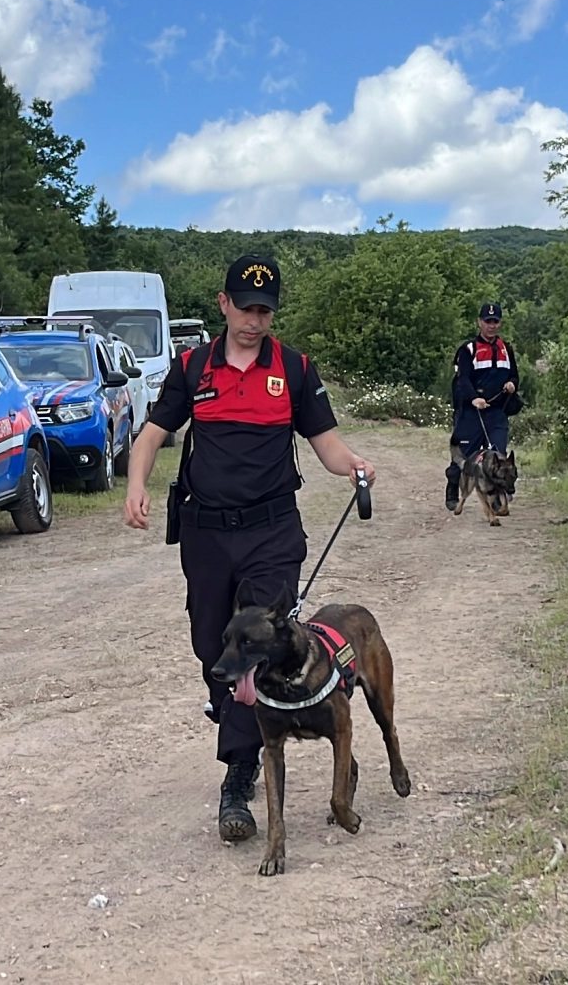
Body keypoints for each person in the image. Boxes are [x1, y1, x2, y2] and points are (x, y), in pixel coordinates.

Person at [123, 254, 375, 844]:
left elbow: (327, 445)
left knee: (258, 641)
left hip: (271, 533)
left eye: (264, 311)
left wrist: (353, 466)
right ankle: (240, 724)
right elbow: (153, 434)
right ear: (224, 303)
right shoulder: (192, 368)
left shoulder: (294, 368)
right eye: (245, 307)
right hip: (207, 535)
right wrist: (137, 485)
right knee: (214, 645)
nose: (254, 321)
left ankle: (238, 775)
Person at [446, 302, 519, 511]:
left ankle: (497, 499)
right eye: (488, 321)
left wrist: (512, 384)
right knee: (465, 454)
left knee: (498, 457)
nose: (492, 325)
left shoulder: (507, 349)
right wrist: (473, 398)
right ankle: (452, 488)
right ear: (480, 322)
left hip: (497, 412)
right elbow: (463, 379)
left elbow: (514, 375)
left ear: (500, 323)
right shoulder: (468, 350)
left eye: (495, 321)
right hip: (472, 412)